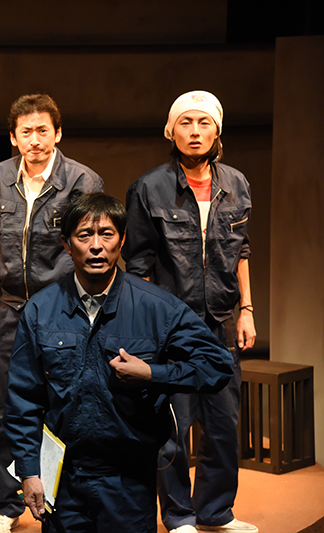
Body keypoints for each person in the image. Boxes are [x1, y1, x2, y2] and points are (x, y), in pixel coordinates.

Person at [5, 192, 234, 533]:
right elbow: (23, 399)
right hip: (64, 480)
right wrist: (28, 470)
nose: (96, 246)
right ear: (67, 244)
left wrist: (154, 373)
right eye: (85, 235)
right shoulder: (41, 309)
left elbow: (218, 365)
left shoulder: (156, 306)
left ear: (122, 240)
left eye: (107, 234)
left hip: (130, 481)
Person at [0, 93, 104, 533]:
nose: (35, 139)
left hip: (62, 309)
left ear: (57, 133)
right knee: (2, 409)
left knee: (63, 405)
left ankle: (62, 497)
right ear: (14, 137)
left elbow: (92, 246)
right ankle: (5, 504)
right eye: (26, 131)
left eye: (43, 130)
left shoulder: (82, 180)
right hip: (7, 309)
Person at [123, 91, 257, 533]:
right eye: (185, 122)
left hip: (220, 322)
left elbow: (242, 251)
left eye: (204, 123)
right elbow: (138, 264)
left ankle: (216, 512)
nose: (195, 132)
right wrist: (144, 326)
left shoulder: (236, 183)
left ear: (217, 130)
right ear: (171, 131)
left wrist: (247, 309)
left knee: (222, 425)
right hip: (171, 327)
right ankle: (178, 515)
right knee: (173, 427)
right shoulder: (149, 187)